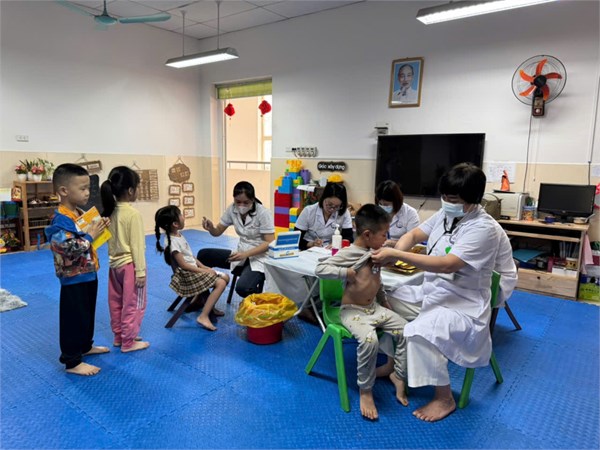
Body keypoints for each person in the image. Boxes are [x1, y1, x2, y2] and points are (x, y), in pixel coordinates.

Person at [372, 162, 508, 422]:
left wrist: (397, 255)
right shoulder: (446, 214)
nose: (447, 203)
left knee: (422, 330)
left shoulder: (484, 229)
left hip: (463, 304)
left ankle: (444, 398)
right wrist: (396, 251)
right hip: (434, 292)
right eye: (444, 197)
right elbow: (414, 234)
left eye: (453, 199)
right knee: (385, 302)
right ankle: (393, 365)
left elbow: (448, 264)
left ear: (473, 199)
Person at [315, 204, 408, 421]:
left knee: (406, 330)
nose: (386, 239)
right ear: (367, 234)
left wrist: (384, 301)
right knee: (369, 341)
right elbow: (320, 269)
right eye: (384, 235)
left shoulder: (375, 253)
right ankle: (365, 390)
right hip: (352, 311)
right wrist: (344, 272)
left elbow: (377, 280)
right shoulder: (350, 253)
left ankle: (397, 374)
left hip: (373, 308)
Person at [45, 163, 111, 376]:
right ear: (64, 191)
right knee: (73, 318)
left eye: (88, 188)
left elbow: (90, 242)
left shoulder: (81, 214)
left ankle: (85, 346)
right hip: (73, 278)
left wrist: (100, 228)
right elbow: (67, 248)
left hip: (88, 273)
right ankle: (72, 360)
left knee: (87, 314)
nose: (87, 193)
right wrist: (91, 235)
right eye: (82, 188)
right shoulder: (60, 220)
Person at [155, 205, 230, 331]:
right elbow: (184, 265)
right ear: (175, 224)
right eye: (181, 215)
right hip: (186, 276)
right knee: (221, 283)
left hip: (192, 271)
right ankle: (203, 316)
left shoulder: (178, 235)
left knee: (226, 277)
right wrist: (205, 271)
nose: (183, 217)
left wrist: (204, 266)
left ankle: (206, 304)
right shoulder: (172, 242)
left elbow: (190, 257)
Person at [100, 166, 149, 353]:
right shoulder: (133, 214)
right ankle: (128, 342)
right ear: (130, 190)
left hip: (114, 267)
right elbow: (137, 246)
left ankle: (119, 337)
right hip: (130, 267)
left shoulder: (109, 212)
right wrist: (141, 272)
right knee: (134, 303)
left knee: (116, 302)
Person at [200, 181, 274, 299]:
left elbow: (269, 242)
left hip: (259, 258)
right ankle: (202, 298)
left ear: (253, 199)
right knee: (204, 255)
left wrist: (245, 254)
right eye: (238, 202)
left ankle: (257, 302)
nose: (241, 205)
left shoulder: (263, 213)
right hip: (239, 254)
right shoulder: (232, 209)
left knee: (243, 288)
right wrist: (211, 228)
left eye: (246, 202)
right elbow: (217, 231)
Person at [294, 182, 353, 250]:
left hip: (330, 250)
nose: (332, 209)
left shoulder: (344, 212)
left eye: (337, 206)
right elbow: (295, 239)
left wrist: (338, 244)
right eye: (329, 205)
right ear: (323, 199)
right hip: (308, 249)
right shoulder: (309, 211)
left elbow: (349, 238)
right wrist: (311, 244)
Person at [375, 180, 420, 247]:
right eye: (380, 204)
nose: (383, 207)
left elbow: (413, 241)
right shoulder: (375, 211)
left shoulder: (410, 213)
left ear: (396, 201)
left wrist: (391, 243)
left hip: (400, 250)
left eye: (386, 204)